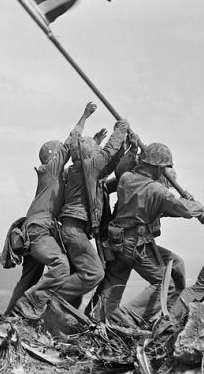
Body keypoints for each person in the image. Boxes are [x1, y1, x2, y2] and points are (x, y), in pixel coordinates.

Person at [96, 142, 204, 325]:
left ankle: (98, 319)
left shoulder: (126, 179)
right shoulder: (157, 190)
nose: (163, 172)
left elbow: (161, 208)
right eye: (162, 168)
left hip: (117, 240)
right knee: (165, 285)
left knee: (114, 283)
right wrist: (195, 203)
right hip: (136, 243)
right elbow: (187, 210)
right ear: (156, 167)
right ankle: (129, 317)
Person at [9, 104, 98, 320]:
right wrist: (84, 117)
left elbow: (82, 166)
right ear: (54, 156)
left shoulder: (55, 177)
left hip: (37, 229)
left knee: (29, 278)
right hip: (39, 229)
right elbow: (70, 142)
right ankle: (32, 303)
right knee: (61, 265)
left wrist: (93, 144)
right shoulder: (50, 170)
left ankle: (10, 316)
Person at [54, 104, 130, 306]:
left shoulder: (78, 170)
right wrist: (121, 129)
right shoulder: (88, 167)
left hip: (73, 229)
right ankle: (49, 297)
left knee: (79, 275)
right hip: (75, 230)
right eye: (95, 151)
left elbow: (110, 165)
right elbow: (108, 153)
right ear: (90, 155)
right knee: (94, 273)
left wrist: (125, 148)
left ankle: (60, 310)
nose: (98, 154)